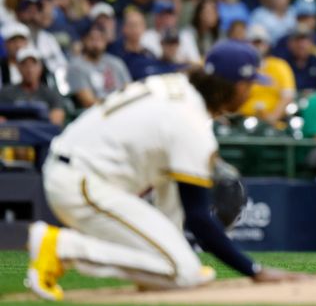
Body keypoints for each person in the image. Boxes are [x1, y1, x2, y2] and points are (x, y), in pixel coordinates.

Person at [25, 40, 301, 301]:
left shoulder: (178, 87)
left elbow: (176, 197)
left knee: (172, 205)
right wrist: (254, 270)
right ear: (232, 86)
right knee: (184, 272)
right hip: (82, 180)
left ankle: (164, 267)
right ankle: (63, 248)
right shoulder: (190, 122)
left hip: (78, 166)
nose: (251, 90)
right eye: (248, 83)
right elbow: (198, 218)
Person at [66, 24, 131, 108]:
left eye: (100, 39)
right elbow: (88, 102)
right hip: (99, 114)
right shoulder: (76, 67)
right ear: (84, 40)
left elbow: (129, 89)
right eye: (92, 39)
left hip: (124, 107)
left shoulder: (116, 62)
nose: (96, 43)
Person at [0, 46, 64, 126]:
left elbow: (56, 121)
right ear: (18, 68)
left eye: (33, 64)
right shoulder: (6, 93)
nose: (29, 70)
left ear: (40, 67)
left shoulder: (51, 94)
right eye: (25, 65)